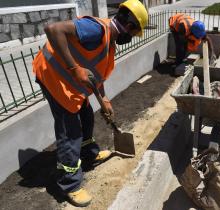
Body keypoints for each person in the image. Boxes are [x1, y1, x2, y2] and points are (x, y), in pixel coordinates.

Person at [32, 0, 148, 207]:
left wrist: (103, 100)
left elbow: (95, 76)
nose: (130, 38)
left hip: (69, 84)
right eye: (133, 34)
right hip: (53, 79)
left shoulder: (107, 42)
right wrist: (74, 68)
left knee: (86, 114)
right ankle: (70, 184)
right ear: (129, 27)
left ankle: (89, 155)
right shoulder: (96, 30)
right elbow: (53, 29)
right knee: (70, 132)